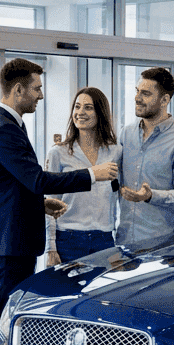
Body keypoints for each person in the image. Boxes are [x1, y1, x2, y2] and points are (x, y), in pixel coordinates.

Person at [0, 58, 118, 345]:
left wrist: (41, 205)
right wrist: (92, 174)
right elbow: (35, 178)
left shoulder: (9, 125)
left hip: (13, 238)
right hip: (7, 243)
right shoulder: (3, 129)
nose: (40, 95)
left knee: (5, 322)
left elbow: (13, 185)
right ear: (18, 89)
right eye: (36, 88)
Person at [116, 66, 174, 246]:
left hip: (161, 245)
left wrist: (150, 195)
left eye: (145, 93)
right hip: (124, 240)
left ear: (164, 100)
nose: (137, 98)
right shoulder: (126, 133)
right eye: (137, 91)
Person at [44, 87, 122, 265]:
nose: (80, 112)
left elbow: (120, 197)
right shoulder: (58, 153)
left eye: (88, 107)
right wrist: (51, 248)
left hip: (104, 241)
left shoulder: (116, 152)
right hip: (68, 241)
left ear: (100, 113)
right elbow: (49, 202)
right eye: (77, 107)